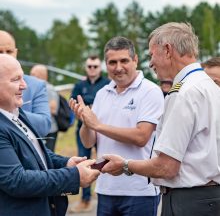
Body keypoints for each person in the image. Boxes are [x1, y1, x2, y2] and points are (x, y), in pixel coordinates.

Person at [99, 23, 220, 216]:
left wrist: (124, 165)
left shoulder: (182, 93)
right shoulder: (210, 87)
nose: (150, 63)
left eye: (151, 55)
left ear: (167, 50)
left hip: (187, 202)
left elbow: (166, 167)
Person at [69, 37, 164, 216]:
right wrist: (85, 123)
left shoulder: (150, 91)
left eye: (124, 61)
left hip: (139, 190)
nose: (118, 67)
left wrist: (98, 125)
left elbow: (141, 137)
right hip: (106, 189)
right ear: (106, 65)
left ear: (135, 60)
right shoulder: (102, 93)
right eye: (112, 62)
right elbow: (88, 143)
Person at [0, 53, 100, 216]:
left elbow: (36, 152)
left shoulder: (16, 112)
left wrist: (65, 163)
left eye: (23, 78)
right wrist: (73, 176)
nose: (24, 86)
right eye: (15, 79)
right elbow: (17, 181)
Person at [70, 55, 109, 213]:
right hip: (83, 130)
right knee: (83, 161)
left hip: (103, 130)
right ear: (86, 68)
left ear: (100, 68)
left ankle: (106, 194)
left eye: (95, 66)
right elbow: (73, 101)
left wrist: (88, 103)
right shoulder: (79, 85)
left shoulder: (107, 84)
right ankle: (85, 199)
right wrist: (90, 104)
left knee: (106, 162)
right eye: (90, 66)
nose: (92, 69)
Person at [0, 30, 51, 137]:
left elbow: (44, 126)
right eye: (0, 52)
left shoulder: (35, 86)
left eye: (9, 51)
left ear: (16, 53)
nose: (5, 56)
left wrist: (10, 112)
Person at [30, 64, 59, 151]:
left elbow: (54, 109)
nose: (30, 76)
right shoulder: (34, 88)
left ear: (40, 75)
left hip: (49, 131)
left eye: (33, 74)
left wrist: (36, 107)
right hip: (38, 130)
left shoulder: (49, 89)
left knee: (48, 158)